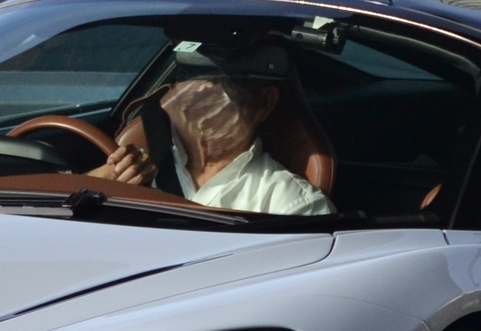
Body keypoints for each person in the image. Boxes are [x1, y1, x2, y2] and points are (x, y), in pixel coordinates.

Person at [92, 42, 335, 216]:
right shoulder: (138, 169)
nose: (202, 94)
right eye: (192, 76)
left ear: (265, 103)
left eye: (227, 85)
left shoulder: (290, 203)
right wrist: (109, 179)